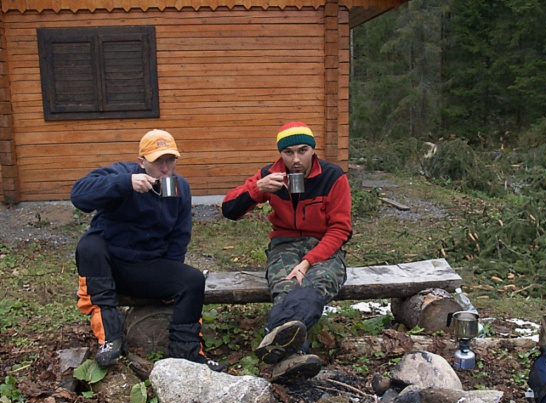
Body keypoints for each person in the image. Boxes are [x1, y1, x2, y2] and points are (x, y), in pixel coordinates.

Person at [71, 129, 226, 371]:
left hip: (145, 268)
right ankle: (109, 338)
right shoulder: (122, 175)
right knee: (89, 245)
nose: (165, 168)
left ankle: (187, 353)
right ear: (142, 162)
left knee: (192, 279)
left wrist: (169, 279)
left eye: (170, 160)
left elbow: (179, 236)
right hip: (109, 266)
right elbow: (79, 195)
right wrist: (124, 184)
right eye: (157, 162)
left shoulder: (179, 188)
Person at [222, 122, 352, 380]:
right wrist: (257, 189)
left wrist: (308, 261)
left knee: (319, 283)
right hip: (284, 244)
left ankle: (275, 335)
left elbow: (340, 229)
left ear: (313, 150)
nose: (296, 159)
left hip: (323, 244)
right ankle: (296, 356)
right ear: (280, 154)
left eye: (303, 151)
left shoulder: (332, 176)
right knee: (285, 286)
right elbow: (229, 210)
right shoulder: (269, 174)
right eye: (288, 152)